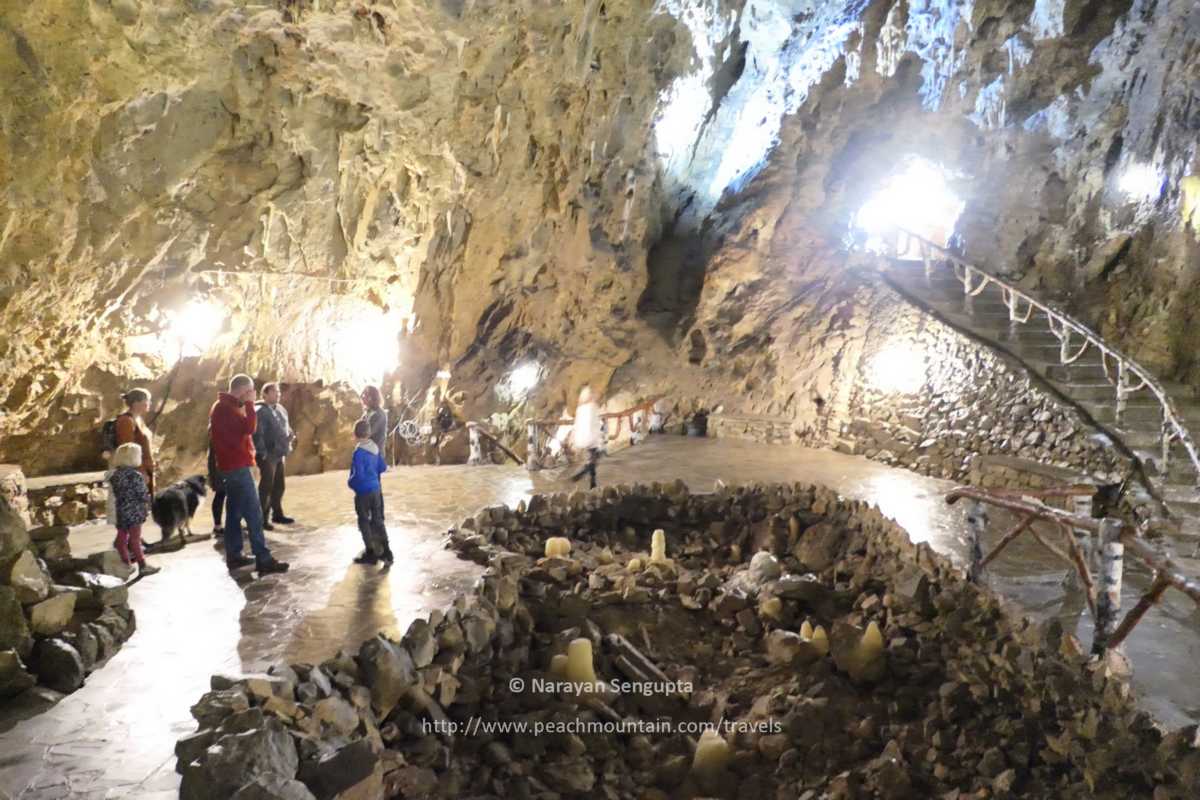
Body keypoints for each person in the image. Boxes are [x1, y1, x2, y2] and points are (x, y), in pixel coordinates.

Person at [209, 374, 289, 575]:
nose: (252, 395)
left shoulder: (225, 407)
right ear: (244, 391)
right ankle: (263, 558)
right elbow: (249, 428)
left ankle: (235, 555)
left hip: (232, 466)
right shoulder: (225, 408)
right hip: (236, 467)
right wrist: (251, 404)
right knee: (254, 513)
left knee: (235, 514)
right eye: (250, 392)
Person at [108, 443, 160, 576]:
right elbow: (142, 494)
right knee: (135, 539)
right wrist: (148, 503)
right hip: (134, 511)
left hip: (121, 510)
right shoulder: (135, 475)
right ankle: (143, 565)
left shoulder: (115, 475)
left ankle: (126, 564)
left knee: (121, 538)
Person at [348, 418, 393, 565]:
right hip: (375, 489)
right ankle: (387, 551)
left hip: (363, 492)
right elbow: (382, 467)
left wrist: (350, 482)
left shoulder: (358, 452)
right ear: (369, 433)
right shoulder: (374, 448)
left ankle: (370, 552)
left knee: (363, 521)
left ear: (355, 434)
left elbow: (358, 476)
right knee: (378, 520)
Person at [253, 383, 296, 530]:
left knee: (279, 486)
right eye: (274, 392)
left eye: (278, 391)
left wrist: (290, 434)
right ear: (264, 394)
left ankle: (277, 514)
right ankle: (261, 520)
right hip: (267, 455)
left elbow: (286, 426)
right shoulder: (259, 410)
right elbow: (257, 433)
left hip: (280, 453)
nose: (278, 394)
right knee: (266, 487)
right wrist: (262, 452)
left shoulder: (281, 409)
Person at [114, 389, 156, 496]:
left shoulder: (139, 419)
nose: (150, 403)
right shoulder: (126, 421)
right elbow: (128, 450)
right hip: (136, 473)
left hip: (146, 470)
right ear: (136, 403)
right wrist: (140, 472)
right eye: (147, 400)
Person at [570, 385, 604, 489]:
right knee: (596, 457)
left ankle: (593, 482)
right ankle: (584, 471)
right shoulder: (593, 407)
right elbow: (594, 424)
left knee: (592, 459)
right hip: (591, 437)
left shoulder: (579, 408)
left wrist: (574, 438)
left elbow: (577, 424)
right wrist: (600, 441)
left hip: (582, 438)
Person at [360, 385, 388, 454]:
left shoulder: (380, 414)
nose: (362, 398)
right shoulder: (366, 413)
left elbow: (368, 432)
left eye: (364, 396)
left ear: (371, 398)